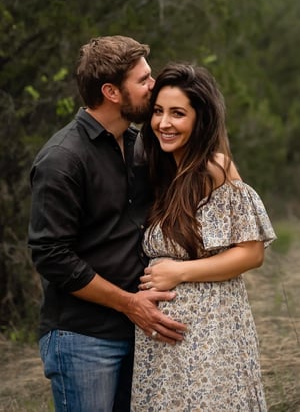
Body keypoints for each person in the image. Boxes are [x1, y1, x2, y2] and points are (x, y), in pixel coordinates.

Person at [28, 36, 186, 412]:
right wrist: (130, 303)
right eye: (144, 80)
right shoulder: (62, 159)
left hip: (138, 330)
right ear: (112, 91)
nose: (155, 86)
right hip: (82, 338)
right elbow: (51, 256)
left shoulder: (139, 145)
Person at [131, 62, 277, 411]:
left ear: (200, 119)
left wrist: (179, 272)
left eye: (178, 113)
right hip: (164, 344)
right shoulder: (163, 171)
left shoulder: (214, 168)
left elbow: (251, 253)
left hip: (211, 338)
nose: (164, 123)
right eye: (158, 112)